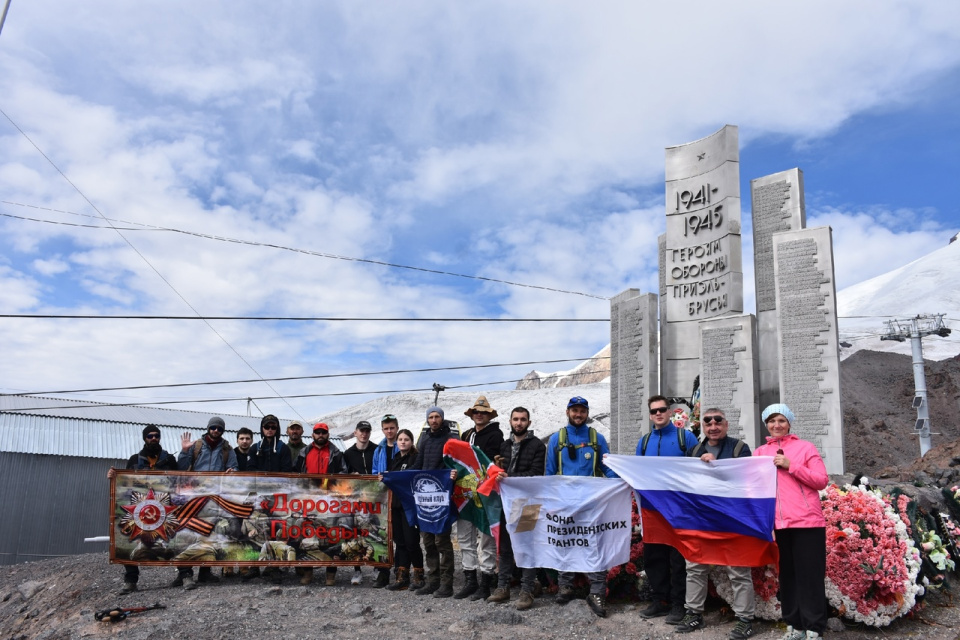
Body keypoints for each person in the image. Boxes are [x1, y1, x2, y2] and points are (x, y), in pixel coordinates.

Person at [675, 409, 756, 639]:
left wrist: (717, 465)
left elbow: (746, 479)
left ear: (726, 425)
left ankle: (745, 619)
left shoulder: (740, 448)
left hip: (732, 519)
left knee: (738, 569)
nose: (713, 425)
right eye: (708, 422)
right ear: (703, 427)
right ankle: (693, 614)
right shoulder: (694, 451)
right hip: (701, 519)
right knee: (695, 567)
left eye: (717, 421)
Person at [753, 404, 829, 640]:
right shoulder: (758, 453)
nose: (777, 425)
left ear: (789, 423)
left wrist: (791, 466)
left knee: (810, 575)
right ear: (766, 424)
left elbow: (821, 480)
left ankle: (814, 626)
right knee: (787, 575)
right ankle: (794, 624)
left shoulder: (805, 448)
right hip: (777, 525)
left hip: (807, 522)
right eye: (772, 421)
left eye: (782, 420)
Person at [544, 396, 617, 617]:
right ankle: (565, 585)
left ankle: (596, 592)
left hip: (591, 503)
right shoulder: (557, 439)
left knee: (594, 544)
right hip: (564, 503)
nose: (578, 414)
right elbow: (549, 473)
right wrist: (550, 500)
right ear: (568, 412)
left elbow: (608, 467)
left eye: (582, 411)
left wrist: (621, 484)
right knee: (565, 542)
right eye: (574, 410)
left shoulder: (597, 438)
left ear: (587, 413)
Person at [636, 394, 699, 624]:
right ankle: (659, 600)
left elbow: (698, 469)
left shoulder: (686, 438)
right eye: (654, 411)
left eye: (662, 409)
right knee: (654, 558)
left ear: (671, 412)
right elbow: (636, 472)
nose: (658, 414)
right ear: (650, 415)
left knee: (678, 559)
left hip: (679, 510)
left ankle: (678, 604)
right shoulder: (643, 442)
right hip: (652, 510)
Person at [106, 424, 179, 594]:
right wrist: (113, 476)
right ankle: (131, 580)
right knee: (127, 538)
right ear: (144, 438)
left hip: (164, 509)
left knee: (177, 536)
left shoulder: (169, 459)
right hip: (140, 510)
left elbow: (179, 481)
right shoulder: (134, 460)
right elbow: (125, 484)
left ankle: (185, 574)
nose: (154, 438)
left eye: (156, 436)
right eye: (150, 436)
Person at [487, 406, 545, 610]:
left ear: (528, 422)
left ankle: (527, 590)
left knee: (527, 546)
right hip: (507, 503)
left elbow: (536, 473)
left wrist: (509, 478)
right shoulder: (504, 446)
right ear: (510, 421)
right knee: (504, 547)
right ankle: (503, 588)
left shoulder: (538, 445)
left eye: (523, 419)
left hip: (529, 503)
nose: (519, 423)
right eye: (515, 419)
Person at [175, 416, 238, 590]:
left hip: (214, 498)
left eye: (219, 428)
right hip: (193, 497)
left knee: (209, 532)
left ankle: (205, 571)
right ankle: (184, 573)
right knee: (186, 532)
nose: (216, 430)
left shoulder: (227, 449)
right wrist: (184, 451)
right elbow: (181, 468)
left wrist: (232, 471)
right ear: (208, 428)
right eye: (213, 427)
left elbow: (234, 468)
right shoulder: (196, 446)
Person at [454, 395, 504, 600]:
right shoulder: (466, 435)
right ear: (472, 415)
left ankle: (486, 580)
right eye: (476, 412)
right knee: (465, 536)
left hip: (485, 493)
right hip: (466, 493)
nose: (479, 415)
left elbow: (492, 463)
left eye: (483, 412)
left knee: (485, 538)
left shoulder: (496, 436)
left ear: (488, 415)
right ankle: (470, 580)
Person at [410, 406, 458, 598]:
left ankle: (447, 584)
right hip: (425, 500)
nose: (434, 420)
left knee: (442, 542)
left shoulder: (450, 440)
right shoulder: (425, 440)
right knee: (428, 542)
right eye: (430, 417)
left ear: (442, 418)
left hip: (442, 500)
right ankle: (433, 581)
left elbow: (456, 464)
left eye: (437, 416)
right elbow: (418, 465)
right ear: (427, 420)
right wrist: (397, 476)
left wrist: (454, 473)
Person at [295, 422, 346, 586]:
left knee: (331, 535)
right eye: (317, 432)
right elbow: (296, 475)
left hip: (329, 501)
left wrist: (334, 489)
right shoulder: (304, 452)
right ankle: (308, 571)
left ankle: (330, 573)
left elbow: (343, 474)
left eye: (323, 432)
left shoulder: (336, 453)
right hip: (308, 500)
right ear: (312, 435)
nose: (320, 435)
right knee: (307, 534)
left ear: (328, 434)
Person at [380, 428, 425, 591]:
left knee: (412, 541)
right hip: (395, 506)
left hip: (410, 507)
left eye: (406, 439)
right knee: (400, 542)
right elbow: (392, 480)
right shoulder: (395, 460)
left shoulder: (415, 458)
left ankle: (419, 575)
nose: (403, 442)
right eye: (400, 440)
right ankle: (402, 576)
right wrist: (384, 478)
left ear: (411, 442)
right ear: (397, 442)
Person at [343, 420, 377, 585]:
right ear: (355, 433)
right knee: (355, 534)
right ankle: (357, 569)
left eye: (367, 431)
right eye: (361, 431)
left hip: (375, 498)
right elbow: (343, 476)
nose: (364, 434)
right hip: (355, 501)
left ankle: (378, 567)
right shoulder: (348, 454)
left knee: (375, 533)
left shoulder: (377, 450)